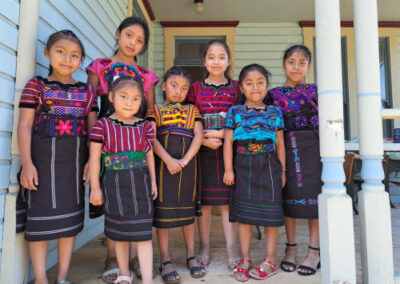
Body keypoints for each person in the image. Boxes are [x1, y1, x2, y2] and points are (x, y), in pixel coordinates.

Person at [16, 30, 97, 284]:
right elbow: (25, 126)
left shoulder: (87, 92)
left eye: (75, 55)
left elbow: (94, 132)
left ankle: (62, 277)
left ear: (81, 60)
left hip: (74, 164)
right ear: (47, 53)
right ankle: (40, 278)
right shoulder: (37, 86)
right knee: (39, 224)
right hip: (41, 163)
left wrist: (90, 163)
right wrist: (27, 164)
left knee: (69, 222)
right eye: (60, 52)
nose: (67, 59)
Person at [86, 16, 158, 282]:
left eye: (139, 41)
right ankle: (113, 258)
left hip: (136, 140)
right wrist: (92, 141)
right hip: (106, 141)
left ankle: (137, 257)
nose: (133, 43)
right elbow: (91, 104)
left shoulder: (147, 75)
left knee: (135, 200)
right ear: (117, 34)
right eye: (129, 35)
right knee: (113, 199)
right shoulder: (100, 66)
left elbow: (149, 112)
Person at [223, 64, 286, 282]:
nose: (255, 87)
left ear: (267, 86)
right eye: (249, 83)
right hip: (243, 164)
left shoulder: (275, 112)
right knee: (245, 216)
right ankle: (245, 258)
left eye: (260, 82)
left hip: (269, 165)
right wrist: (229, 169)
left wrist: (283, 171)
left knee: (271, 215)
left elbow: (280, 144)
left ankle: (270, 260)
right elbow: (228, 142)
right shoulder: (234, 112)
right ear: (241, 87)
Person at [265, 45, 321, 276]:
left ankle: (315, 250)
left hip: (314, 149)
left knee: (314, 200)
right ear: (283, 65)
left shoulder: (317, 91)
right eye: (291, 62)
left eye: (301, 62)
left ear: (308, 65)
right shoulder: (273, 95)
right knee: (289, 198)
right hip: (285, 149)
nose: (296, 67)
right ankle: (290, 249)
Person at [147, 66, 205, 283]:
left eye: (183, 88)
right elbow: (150, 138)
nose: (178, 91)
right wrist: (169, 160)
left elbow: (198, 136)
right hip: (163, 168)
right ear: (163, 86)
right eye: (173, 86)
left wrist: (185, 160)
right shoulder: (155, 111)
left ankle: (191, 255)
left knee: (187, 213)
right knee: (163, 215)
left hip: (188, 167)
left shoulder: (193, 111)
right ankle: (165, 259)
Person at [187, 40, 240, 270]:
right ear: (204, 61)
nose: (216, 61)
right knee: (205, 204)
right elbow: (188, 118)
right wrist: (204, 140)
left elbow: (244, 118)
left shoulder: (237, 88)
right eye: (211, 56)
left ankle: (231, 248)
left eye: (221, 57)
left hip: (230, 153)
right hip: (202, 152)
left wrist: (224, 134)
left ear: (228, 61)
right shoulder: (195, 88)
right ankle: (204, 246)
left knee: (228, 203)